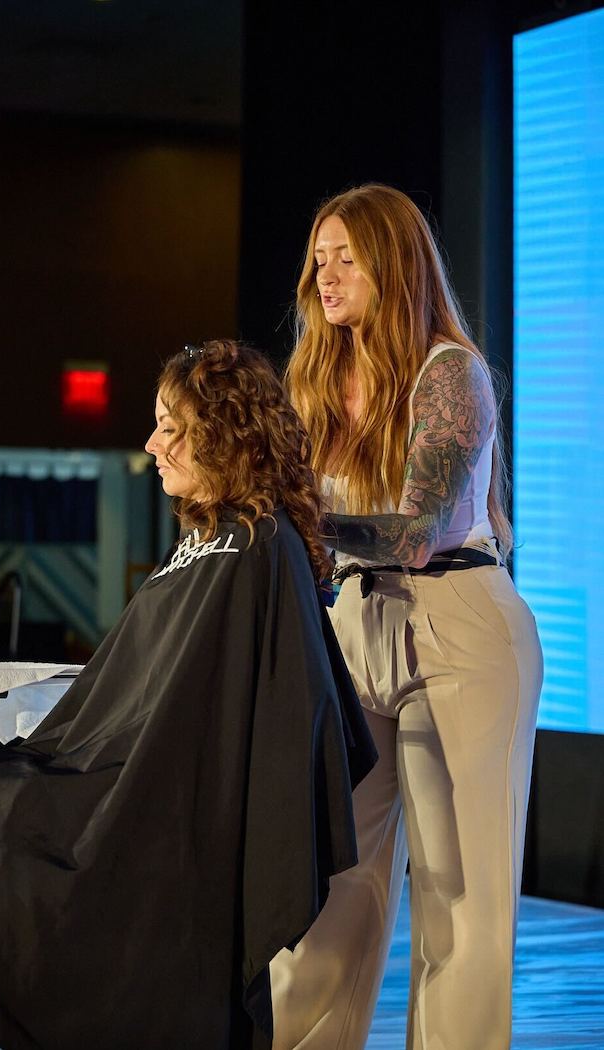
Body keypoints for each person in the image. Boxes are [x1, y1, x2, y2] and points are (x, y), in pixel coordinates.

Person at [0, 340, 376, 1050]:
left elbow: (243, 728)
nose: (152, 443)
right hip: (107, 796)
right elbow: (134, 696)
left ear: (222, 431)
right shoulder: (214, 542)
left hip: (138, 826)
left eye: (170, 425)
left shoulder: (259, 548)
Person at [270, 184, 543, 1050]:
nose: (327, 274)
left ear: (395, 263)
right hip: (359, 625)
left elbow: (421, 534)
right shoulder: (314, 376)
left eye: (347, 256)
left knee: (460, 895)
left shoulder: (449, 373)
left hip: (459, 623)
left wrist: (290, 518)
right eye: (319, 259)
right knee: (333, 879)